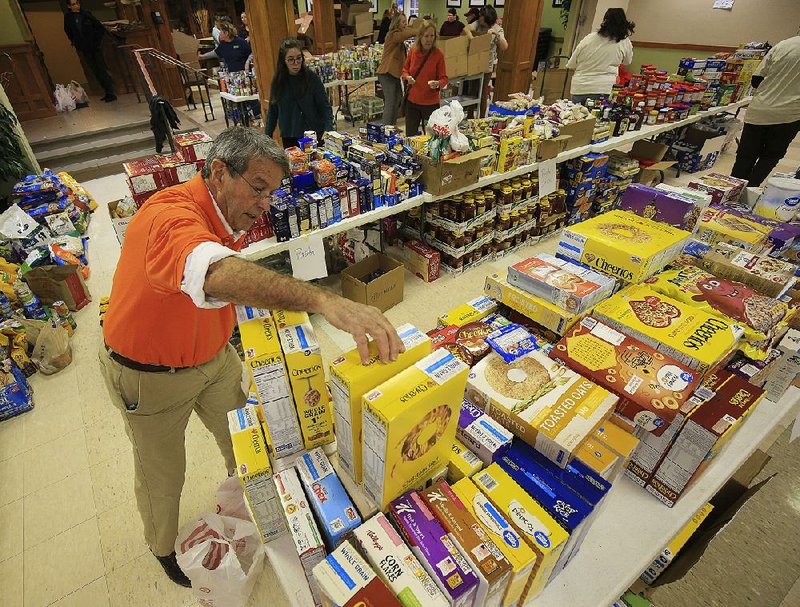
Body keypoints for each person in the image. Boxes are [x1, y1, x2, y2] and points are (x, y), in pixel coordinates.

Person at [100, 126, 404, 587]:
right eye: (258, 189)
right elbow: (214, 272)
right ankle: (162, 548)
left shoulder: (226, 213)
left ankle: (250, 503)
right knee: (162, 472)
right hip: (150, 375)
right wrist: (324, 301)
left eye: (272, 193)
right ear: (218, 173)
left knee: (246, 438)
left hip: (215, 357)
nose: (265, 204)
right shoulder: (169, 214)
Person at [732, 34, 800, 186]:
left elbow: (756, 80)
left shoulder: (783, 45)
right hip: (789, 115)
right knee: (770, 157)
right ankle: (750, 190)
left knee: (745, 156)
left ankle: (730, 194)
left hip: (760, 110)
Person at [265, 38, 334, 148]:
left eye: (299, 58)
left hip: (314, 135)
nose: (296, 63)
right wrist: (266, 138)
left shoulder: (312, 78)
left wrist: (329, 129)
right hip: (290, 136)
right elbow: (273, 112)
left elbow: (325, 106)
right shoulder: (278, 81)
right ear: (284, 61)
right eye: (291, 59)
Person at [566, 8, 634, 104]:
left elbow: (572, 63)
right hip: (604, 88)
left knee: (577, 118)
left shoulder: (588, 38)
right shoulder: (624, 41)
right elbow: (627, 61)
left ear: (604, 21)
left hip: (580, 87)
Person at [63, 0, 115, 102]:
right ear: (69, 6)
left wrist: (96, 41)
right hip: (83, 47)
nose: (76, 6)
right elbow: (68, 31)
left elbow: (99, 27)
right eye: (73, 4)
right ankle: (105, 91)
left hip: (95, 46)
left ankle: (111, 92)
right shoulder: (68, 17)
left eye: (77, 3)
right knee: (94, 70)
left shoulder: (86, 14)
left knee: (102, 68)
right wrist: (74, 41)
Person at [402, 19, 447, 136]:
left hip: (430, 104)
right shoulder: (413, 51)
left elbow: (444, 78)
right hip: (412, 102)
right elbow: (404, 69)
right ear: (420, 36)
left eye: (432, 35)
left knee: (431, 137)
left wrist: (438, 83)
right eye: (426, 36)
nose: (429, 39)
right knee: (410, 136)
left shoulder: (438, 55)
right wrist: (407, 77)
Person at [464, 6, 508, 115]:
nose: (480, 22)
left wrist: (496, 35)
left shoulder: (497, 28)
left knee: (482, 93)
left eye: (483, 21)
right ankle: (470, 117)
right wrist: (473, 39)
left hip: (486, 66)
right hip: (474, 63)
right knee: (471, 92)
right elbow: (466, 29)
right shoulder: (478, 23)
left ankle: (482, 118)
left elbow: (504, 46)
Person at [377, 13, 415, 126]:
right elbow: (404, 35)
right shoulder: (393, 35)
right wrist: (420, 30)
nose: (405, 24)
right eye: (403, 22)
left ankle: (391, 127)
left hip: (394, 74)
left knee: (397, 98)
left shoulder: (399, 39)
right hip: (386, 72)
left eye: (405, 21)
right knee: (390, 101)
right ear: (396, 23)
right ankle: (386, 128)